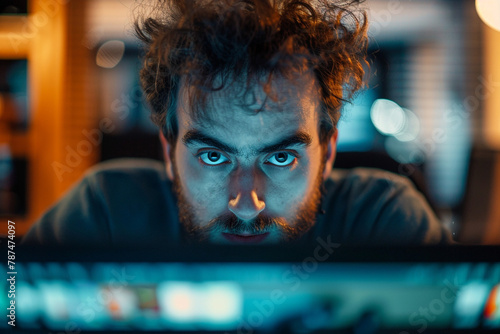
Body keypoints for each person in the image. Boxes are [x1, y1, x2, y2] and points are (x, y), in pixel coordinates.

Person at [22, 0, 453, 247]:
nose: (246, 204)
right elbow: (14, 311)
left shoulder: (381, 221)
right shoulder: (106, 214)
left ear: (328, 154)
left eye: (281, 157)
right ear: (169, 152)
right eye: (213, 155)